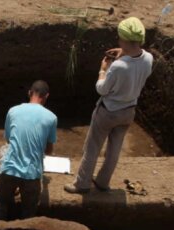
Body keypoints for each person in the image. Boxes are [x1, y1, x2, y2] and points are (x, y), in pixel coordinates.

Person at [64, 17, 153, 194]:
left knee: (92, 148)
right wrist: (124, 51)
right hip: (128, 111)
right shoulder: (148, 59)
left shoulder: (118, 66)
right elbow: (136, 61)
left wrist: (103, 70)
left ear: (126, 40)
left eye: (121, 39)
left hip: (108, 111)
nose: (118, 41)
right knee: (114, 150)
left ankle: (81, 184)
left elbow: (102, 89)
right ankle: (103, 182)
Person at [0, 80, 57, 221]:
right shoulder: (51, 118)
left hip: (9, 170)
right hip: (31, 174)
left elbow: (9, 140)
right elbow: (48, 151)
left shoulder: (13, 111)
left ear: (29, 93)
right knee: (28, 215)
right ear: (46, 96)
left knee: (1, 206)